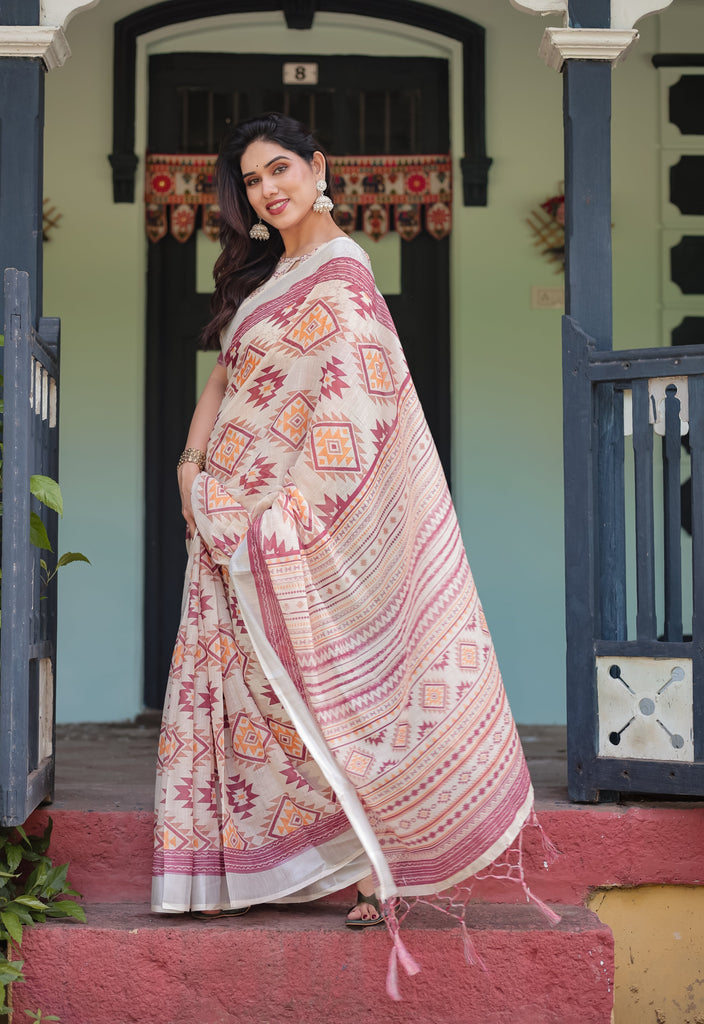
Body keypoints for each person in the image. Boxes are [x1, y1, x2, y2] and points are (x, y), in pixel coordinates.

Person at [152, 113, 550, 991]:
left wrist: (286, 517)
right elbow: (222, 376)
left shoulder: (341, 274)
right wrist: (189, 469)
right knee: (246, 691)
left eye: (280, 169)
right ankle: (250, 867)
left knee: (321, 688)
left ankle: (375, 868)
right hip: (222, 509)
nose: (267, 189)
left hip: (283, 521)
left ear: (318, 167)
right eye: (252, 181)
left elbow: (357, 412)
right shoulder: (269, 277)